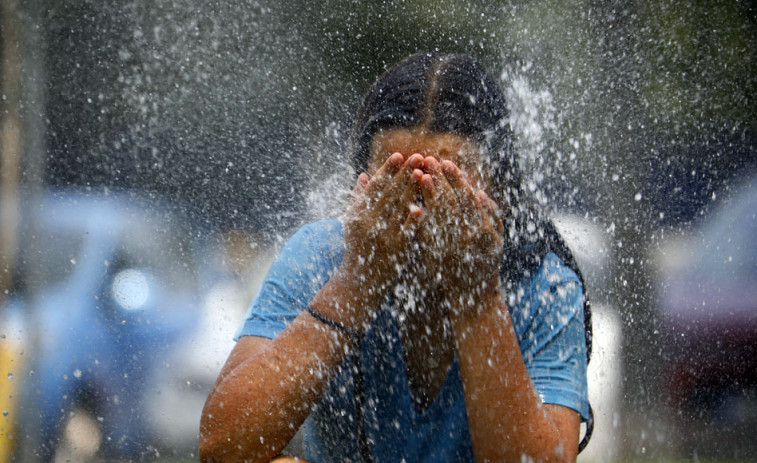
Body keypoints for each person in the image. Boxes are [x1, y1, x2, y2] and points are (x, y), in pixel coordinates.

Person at [199, 52, 590, 463]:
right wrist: (356, 283)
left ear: (502, 193)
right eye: (397, 187)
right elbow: (222, 449)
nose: (419, 215)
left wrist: (476, 297)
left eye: (448, 190)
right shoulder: (322, 258)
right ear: (361, 187)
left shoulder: (545, 289)